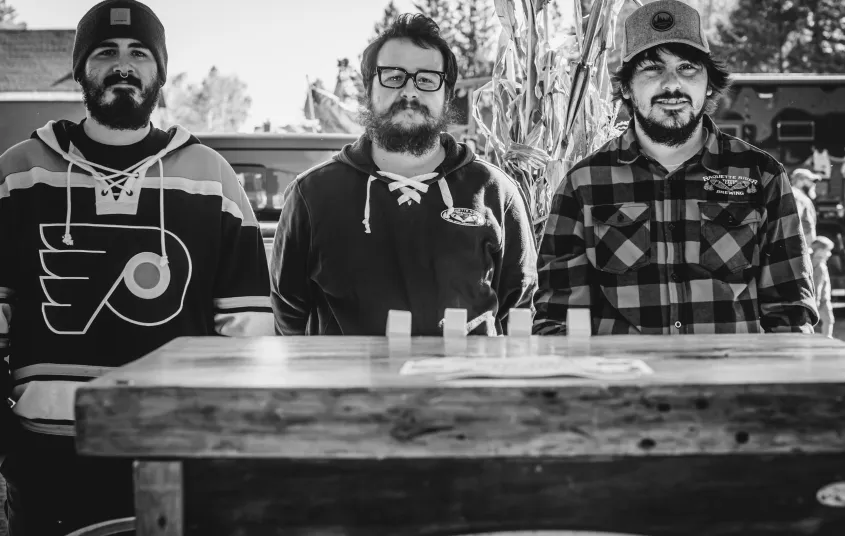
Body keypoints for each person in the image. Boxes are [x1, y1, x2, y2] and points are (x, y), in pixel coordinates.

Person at [0, 1, 273, 534]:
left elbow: (247, 337)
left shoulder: (212, 177)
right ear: (81, 69)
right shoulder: (17, 174)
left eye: (139, 54)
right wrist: (10, 449)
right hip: (47, 463)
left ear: (160, 73)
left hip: (177, 455)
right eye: (106, 52)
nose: (123, 65)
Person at [533, 0, 817, 335]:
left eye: (687, 68)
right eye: (652, 68)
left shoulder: (761, 175)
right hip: (621, 385)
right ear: (625, 86)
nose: (672, 84)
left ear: (709, 83)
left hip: (729, 382)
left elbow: (789, 313)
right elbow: (558, 318)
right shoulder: (583, 184)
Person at [270, 14, 537, 336]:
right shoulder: (313, 193)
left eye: (427, 79)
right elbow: (288, 312)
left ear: (447, 94)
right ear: (368, 88)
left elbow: (519, 307)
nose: (409, 92)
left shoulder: (495, 191)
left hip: (464, 384)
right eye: (393, 76)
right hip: (348, 385)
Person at [811, 236, 836, 337]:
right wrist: (817, 300)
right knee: (829, 320)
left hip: (817, 299)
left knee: (813, 321)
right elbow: (818, 285)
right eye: (827, 251)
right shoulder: (820, 267)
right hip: (822, 300)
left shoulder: (813, 264)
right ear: (820, 251)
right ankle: (827, 337)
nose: (829, 254)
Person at [790, 168, 820, 247]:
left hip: (803, 243)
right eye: (811, 180)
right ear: (800, 179)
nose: (813, 184)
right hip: (801, 244)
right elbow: (795, 219)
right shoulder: (796, 195)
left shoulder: (799, 195)